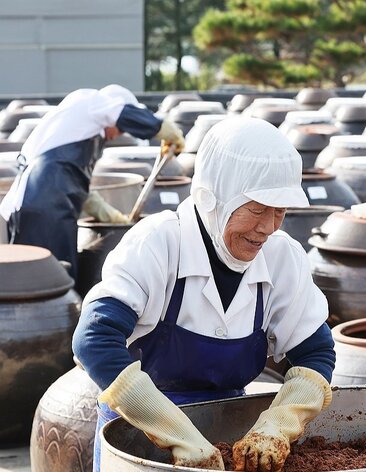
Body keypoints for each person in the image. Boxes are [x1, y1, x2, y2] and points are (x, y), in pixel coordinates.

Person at [72, 117, 335, 472]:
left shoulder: (281, 257)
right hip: (138, 437)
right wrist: (176, 431)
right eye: (257, 209)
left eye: (281, 211)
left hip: (228, 427)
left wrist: (279, 424)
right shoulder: (159, 243)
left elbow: (315, 352)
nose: (268, 227)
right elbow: (93, 339)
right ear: (211, 198)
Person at [0, 84, 185, 280]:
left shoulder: (83, 133)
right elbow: (122, 113)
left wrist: (109, 215)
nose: (122, 133)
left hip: (46, 206)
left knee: (52, 275)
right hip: (43, 207)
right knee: (46, 279)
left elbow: (74, 185)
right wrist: (164, 129)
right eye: (122, 127)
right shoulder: (89, 102)